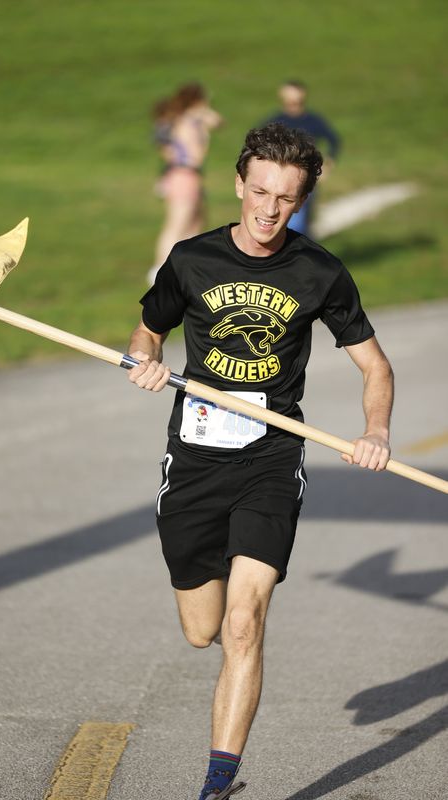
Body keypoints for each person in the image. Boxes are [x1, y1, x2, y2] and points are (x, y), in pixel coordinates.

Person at [126, 123, 393, 799]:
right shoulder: (191, 259)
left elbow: (373, 364)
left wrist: (376, 430)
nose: (271, 208)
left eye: (287, 197)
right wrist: (148, 362)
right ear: (239, 184)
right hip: (193, 458)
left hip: (270, 458)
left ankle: (216, 784)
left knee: (245, 623)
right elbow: (147, 330)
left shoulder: (318, 271)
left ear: (300, 199)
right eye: (262, 191)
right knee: (202, 631)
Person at [148, 83, 223, 285]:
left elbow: (218, 122)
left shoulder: (184, 119)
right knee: (177, 224)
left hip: (188, 177)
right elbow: (195, 156)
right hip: (184, 175)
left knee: (196, 224)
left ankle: (186, 269)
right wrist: (203, 125)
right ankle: (159, 271)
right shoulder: (187, 122)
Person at [259, 80, 340, 237]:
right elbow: (256, 142)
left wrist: (328, 165)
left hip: (305, 177)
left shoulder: (312, 120)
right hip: (278, 179)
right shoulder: (275, 121)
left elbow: (333, 140)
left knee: (300, 222)